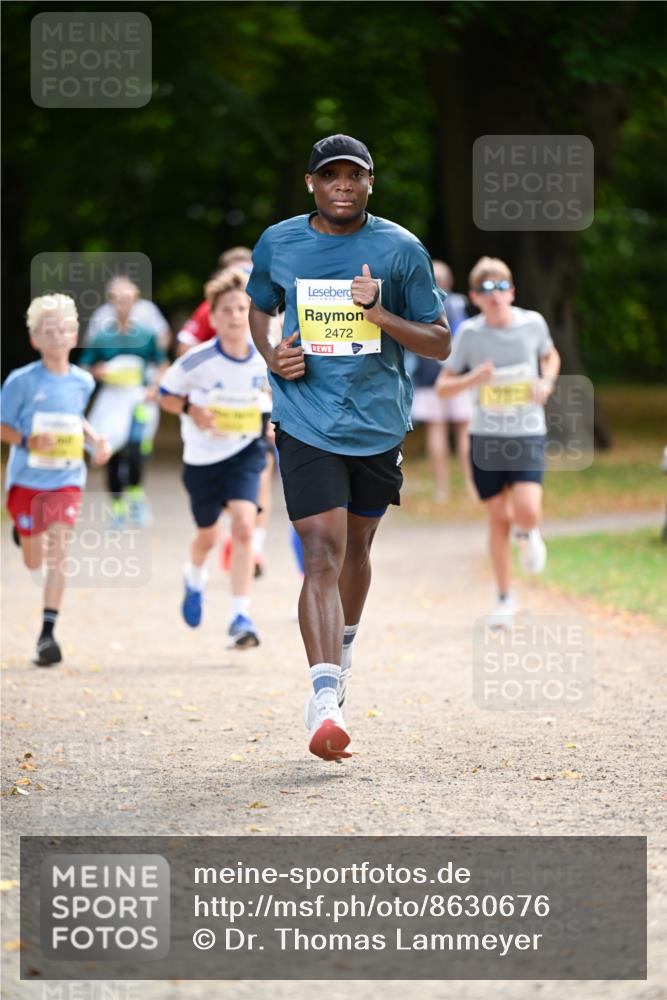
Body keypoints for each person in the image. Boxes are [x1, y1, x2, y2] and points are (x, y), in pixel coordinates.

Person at [247, 134, 450, 761]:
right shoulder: (279, 242)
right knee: (321, 551)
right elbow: (259, 307)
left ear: (369, 183)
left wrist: (381, 314)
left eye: (353, 176)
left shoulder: (399, 248)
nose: (342, 185)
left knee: (357, 548)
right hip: (305, 419)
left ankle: (347, 640)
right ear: (311, 183)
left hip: (377, 424)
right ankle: (324, 696)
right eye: (329, 175)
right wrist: (270, 354)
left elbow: (439, 342)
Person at [436, 256, 560, 628]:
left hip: (525, 431)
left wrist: (547, 382)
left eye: (501, 287)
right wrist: (473, 377)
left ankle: (529, 531)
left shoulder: (532, 324)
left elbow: (551, 355)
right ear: (474, 296)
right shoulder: (470, 335)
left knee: (527, 509)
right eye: (487, 289)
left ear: (512, 291)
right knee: (497, 519)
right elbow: (443, 387)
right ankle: (504, 598)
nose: (495, 295)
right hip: (486, 436)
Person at [159, 268, 271, 649]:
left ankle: (240, 616)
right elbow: (165, 395)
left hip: (245, 452)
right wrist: (192, 410)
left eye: (242, 308)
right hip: (203, 459)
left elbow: (280, 397)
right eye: (227, 309)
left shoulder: (264, 357)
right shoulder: (196, 360)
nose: (236, 316)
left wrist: (273, 422)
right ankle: (194, 577)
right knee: (207, 535)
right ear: (214, 315)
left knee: (243, 524)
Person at [1, 294, 110, 666]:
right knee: (33, 559)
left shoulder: (82, 381)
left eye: (63, 329)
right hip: (27, 481)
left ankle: (47, 635)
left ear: (74, 334)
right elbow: (3, 426)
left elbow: (74, 417)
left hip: (66, 478)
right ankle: (23, 533)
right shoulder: (21, 382)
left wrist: (96, 441)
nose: (56, 336)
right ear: (35, 339)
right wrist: (29, 441)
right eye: (47, 331)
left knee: (59, 551)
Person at [78, 277, 168, 527]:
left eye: (127, 299)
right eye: (118, 299)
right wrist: (98, 371)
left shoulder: (146, 335)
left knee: (136, 448)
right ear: (111, 302)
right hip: (111, 400)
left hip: (139, 399)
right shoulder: (101, 337)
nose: (123, 304)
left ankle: (136, 499)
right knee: (112, 451)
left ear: (136, 300)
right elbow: (86, 365)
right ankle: (117, 508)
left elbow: (161, 363)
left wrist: (154, 387)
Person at [410, 260, 475, 501]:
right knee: (464, 429)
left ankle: (441, 489)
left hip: (428, 376)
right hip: (458, 373)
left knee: (436, 430)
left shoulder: (417, 304)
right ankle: (470, 485)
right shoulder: (458, 303)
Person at [176, 248, 253, 355]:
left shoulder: (268, 309)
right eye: (238, 273)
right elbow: (185, 348)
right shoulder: (210, 308)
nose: (245, 278)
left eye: (250, 272)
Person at [86, 275, 171, 351]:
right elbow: (90, 344)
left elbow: (164, 335)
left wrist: (156, 356)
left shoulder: (147, 309)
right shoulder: (101, 314)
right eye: (116, 294)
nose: (121, 298)